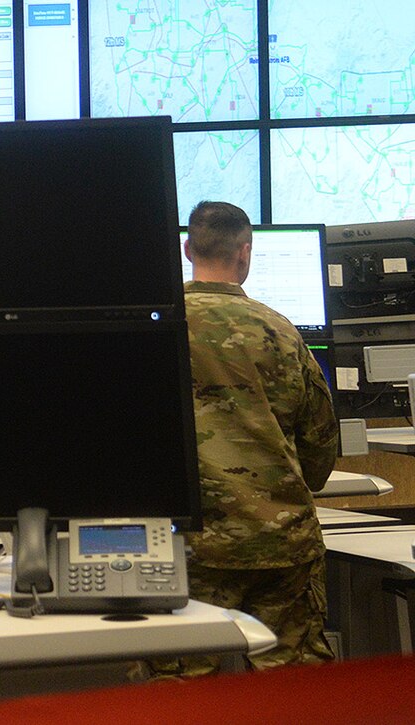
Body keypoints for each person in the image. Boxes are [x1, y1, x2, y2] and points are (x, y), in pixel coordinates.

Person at [153, 199, 340, 677]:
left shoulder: (156, 328)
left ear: (186, 249)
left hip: (186, 550)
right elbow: (319, 447)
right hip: (281, 544)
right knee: (297, 693)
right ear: (245, 252)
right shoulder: (281, 330)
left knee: (178, 695)